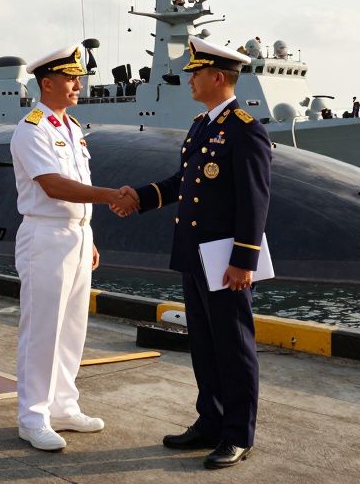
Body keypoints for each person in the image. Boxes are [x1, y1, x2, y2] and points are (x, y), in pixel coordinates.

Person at [114, 36, 271, 470]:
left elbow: (254, 201)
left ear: (217, 77)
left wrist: (244, 260)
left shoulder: (244, 129)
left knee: (234, 346)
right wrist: (140, 197)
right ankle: (210, 422)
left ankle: (238, 434)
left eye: (196, 73)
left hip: (225, 259)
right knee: (204, 344)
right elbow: (184, 182)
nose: (190, 80)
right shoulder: (202, 126)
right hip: (195, 254)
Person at [9, 43, 134, 452]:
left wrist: (89, 233)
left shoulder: (71, 127)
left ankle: (64, 406)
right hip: (45, 237)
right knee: (42, 330)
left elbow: (73, 191)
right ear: (48, 83)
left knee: (71, 329)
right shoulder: (32, 129)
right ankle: (33, 417)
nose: (78, 84)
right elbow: (53, 185)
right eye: (70, 78)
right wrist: (110, 195)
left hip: (76, 236)